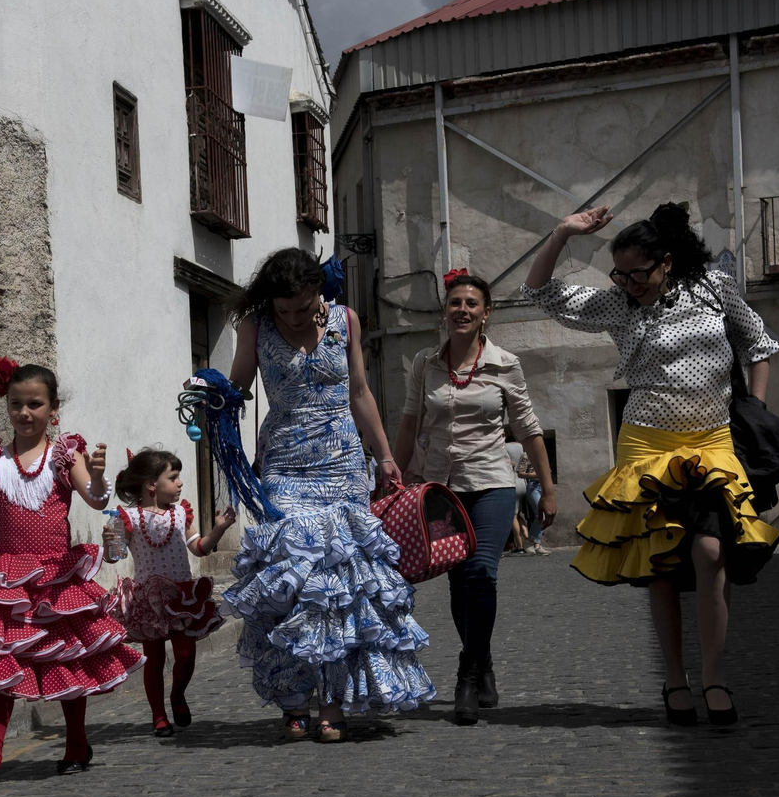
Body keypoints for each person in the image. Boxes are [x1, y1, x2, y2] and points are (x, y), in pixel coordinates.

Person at [523, 201, 779, 726]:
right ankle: (674, 679)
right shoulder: (620, 305)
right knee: (660, 565)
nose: (629, 284)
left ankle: (714, 676)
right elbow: (540, 292)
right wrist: (563, 233)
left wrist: (754, 407)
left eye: (637, 273)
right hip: (645, 446)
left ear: (666, 262)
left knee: (711, 552)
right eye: (619, 275)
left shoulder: (714, 289)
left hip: (711, 442)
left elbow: (758, 343)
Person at [221, 248, 433, 742]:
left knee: (340, 585)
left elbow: (359, 392)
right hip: (284, 464)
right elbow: (237, 388)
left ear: (318, 292)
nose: (294, 318)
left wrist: (384, 455)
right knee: (292, 578)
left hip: (342, 463)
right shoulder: (255, 326)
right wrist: (215, 396)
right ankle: (294, 697)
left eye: (302, 307)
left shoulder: (346, 320)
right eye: (284, 309)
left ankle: (332, 702)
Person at [0, 357, 143, 785]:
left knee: (66, 659)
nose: (24, 413)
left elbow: (96, 500)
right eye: (16, 404)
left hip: (55, 580)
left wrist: (97, 477)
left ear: (52, 408)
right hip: (6, 581)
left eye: (35, 404)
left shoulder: (64, 455)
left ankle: (76, 742)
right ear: (6, 406)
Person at [390, 270, 557, 724]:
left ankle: (466, 673)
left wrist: (548, 488)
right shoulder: (425, 363)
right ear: (445, 310)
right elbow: (410, 423)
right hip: (441, 490)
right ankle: (483, 662)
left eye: (471, 303)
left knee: (482, 572)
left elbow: (528, 428)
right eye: (455, 302)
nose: (462, 310)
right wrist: (394, 478)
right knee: (459, 581)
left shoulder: (505, 364)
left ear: (486, 313)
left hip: (492, 483)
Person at [107, 449, 235, 737]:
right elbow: (114, 557)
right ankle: (159, 715)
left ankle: (178, 694)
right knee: (153, 660)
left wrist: (218, 531)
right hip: (149, 598)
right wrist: (109, 543)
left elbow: (199, 548)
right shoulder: (127, 518)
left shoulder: (180, 513)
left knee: (186, 654)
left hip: (181, 596)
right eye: (173, 477)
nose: (180, 483)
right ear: (151, 484)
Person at [518, 449, 550, 556]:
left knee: (545, 514)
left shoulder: (543, 453)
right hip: (534, 486)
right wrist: (534, 475)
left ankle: (537, 545)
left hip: (544, 486)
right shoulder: (526, 455)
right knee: (540, 515)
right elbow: (520, 473)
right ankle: (530, 540)